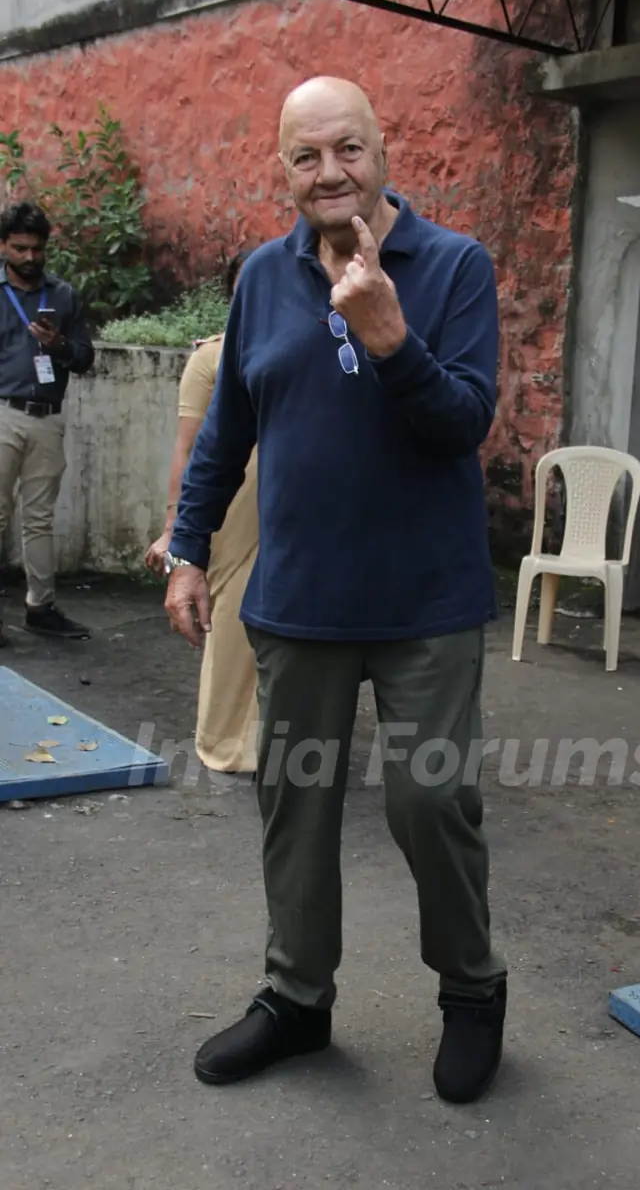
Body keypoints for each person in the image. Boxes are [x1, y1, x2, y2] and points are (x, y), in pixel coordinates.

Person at [164, 76, 508, 1105]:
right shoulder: (263, 279)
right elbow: (228, 427)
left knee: (431, 799)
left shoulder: (451, 267)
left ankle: (471, 990)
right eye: (305, 157)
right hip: (298, 602)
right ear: (284, 168)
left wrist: (390, 337)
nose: (329, 173)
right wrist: (187, 546)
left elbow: (463, 426)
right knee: (293, 810)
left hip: (425, 605)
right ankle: (295, 1000)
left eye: (346, 150)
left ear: (381, 148)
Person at [145, 250, 258, 774]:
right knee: (232, 620)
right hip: (231, 507)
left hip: (294, 501)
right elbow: (187, 450)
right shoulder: (211, 359)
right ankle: (227, 743)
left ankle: (282, 735)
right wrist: (175, 529)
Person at [0, 201, 94, 645]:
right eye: (20, 249)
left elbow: (85, 358)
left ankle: (41, 606)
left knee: (39, 520)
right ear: (4, 247)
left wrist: (58, 345)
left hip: (47, 418)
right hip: (2, 413)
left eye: (38, 249)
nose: (31, 258)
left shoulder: (62, 295)